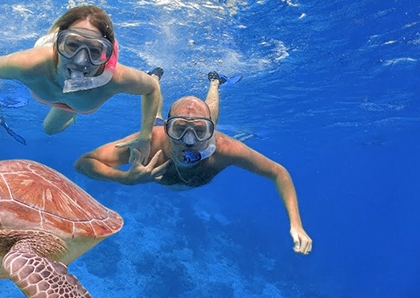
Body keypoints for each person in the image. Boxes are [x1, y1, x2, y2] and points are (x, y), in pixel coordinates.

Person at [74, 72, 313, 255]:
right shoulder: (151, 141)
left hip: (203, 130)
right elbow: (83, 162)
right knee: (154, 120)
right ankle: (153, 81)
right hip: (160, 128)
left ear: (211, 133)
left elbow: (278, 173)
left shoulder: (225, 148)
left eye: (200, 131)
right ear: (169, 130)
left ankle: (215, 83)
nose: (189, 141)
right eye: (179, 129)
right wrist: (125, 179)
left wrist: (297, 225)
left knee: (209, 114)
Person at [0, 5, 162, 159]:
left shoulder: (115, 79)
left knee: (51, 128)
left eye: (95, 51)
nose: (81, 61)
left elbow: (152, 89)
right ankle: (73, 105)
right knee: (49, 130)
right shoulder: (32, 64)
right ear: (57, 44)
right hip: (65, 90)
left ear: (105, 55)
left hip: (75, 103)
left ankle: (75, 108)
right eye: (72, 45)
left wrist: (145, 136)